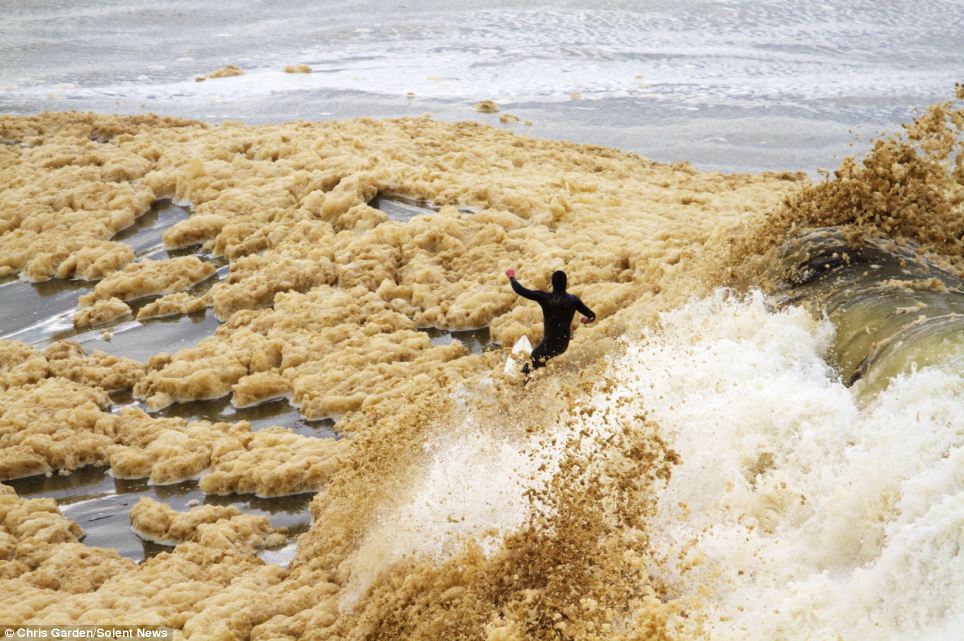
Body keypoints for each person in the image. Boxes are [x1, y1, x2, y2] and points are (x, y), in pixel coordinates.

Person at [505, 268, 595, 376]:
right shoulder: (573, 300)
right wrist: (587, 320)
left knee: (527, 370)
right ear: (566, 283)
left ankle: (522, 390)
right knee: (541, 361)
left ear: (552, 283)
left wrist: (511, 277)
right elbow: (592, 316)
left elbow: (520, 290)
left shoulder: (545, 297)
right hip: (563, 345)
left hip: (548, 344)